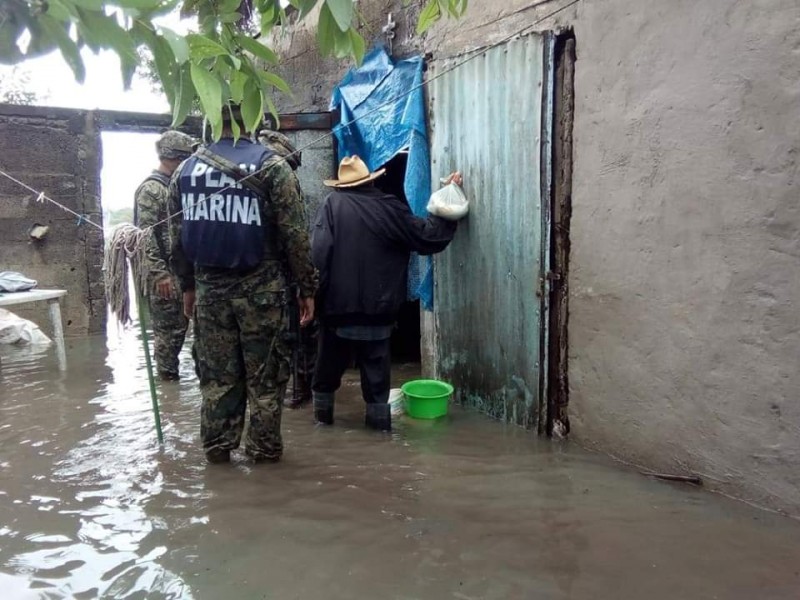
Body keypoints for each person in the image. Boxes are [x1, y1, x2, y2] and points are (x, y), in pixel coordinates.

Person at [169, 107, 317, 464]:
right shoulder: (273, 166)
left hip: (209, 293)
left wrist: (187, 287)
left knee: (217, 380)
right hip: (263, 293)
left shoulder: (185, 170)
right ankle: (264, 457)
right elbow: (295, 235)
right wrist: (307, 288)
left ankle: (218, 454)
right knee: (266, 382)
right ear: (252, 125)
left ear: (211, 125)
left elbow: (176, 238)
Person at [311, 155, 464, 431]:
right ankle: (379, 434)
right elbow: (428, 237)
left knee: (325, 377)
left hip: (336, 312)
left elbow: (319, 257)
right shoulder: (389, 207)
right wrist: (448, 205)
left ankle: (322, 427)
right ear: (370, 180)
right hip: (379, 312)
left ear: (342, 186)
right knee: (377, 387)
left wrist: (312, 301)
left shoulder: (331, 205)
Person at [258, 129, 318, 410]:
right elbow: (295, 236)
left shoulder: (241, 174)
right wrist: (306, 286)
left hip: (239, 280)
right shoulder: (280, 174)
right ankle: (297, 392)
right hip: (277, 279)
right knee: (295, 337)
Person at [134, 130, 196, 381]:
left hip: (181, 271)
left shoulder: (176, 186)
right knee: (169, 334)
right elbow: (145, 236)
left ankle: (174, 392)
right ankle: (168, 385)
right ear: (174, 159)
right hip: (165, 275)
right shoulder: (152, 190)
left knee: (184, 329)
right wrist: (160, 274)